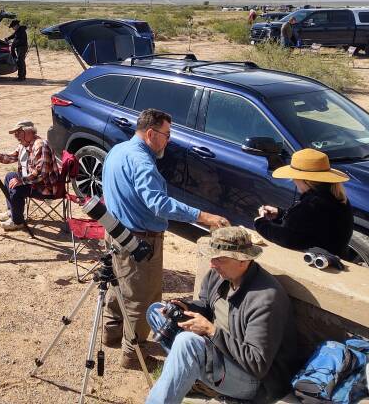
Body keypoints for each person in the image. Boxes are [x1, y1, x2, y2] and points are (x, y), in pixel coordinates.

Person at [101, 108, 229, 369]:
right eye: (167, 135)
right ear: (151, 133)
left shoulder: (118, 150)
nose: (169, 140)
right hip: (139, 240)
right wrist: (202, 216)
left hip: (115, 232)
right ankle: (132, 354)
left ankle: (111, 331)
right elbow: (158, 203)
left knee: (117, 285)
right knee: (142, 297)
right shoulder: (143, 162)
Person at [146, 226, 297, 403]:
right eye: (212, 257)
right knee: (157, 312)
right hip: (216, 353)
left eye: (220, 259)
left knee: (187, 343)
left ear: (243, 260)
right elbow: (206, 306)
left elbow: (257, 364)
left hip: (254, 382)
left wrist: (212, 331)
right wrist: (185, 307)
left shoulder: (266, 299)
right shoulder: (219, 275)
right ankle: (194, 374)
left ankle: (190, 376)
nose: (212, 264)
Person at [255, 148, 353, 257]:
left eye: (294, 177)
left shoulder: (312, 205)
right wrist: (280, 214)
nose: (293, 180)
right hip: (336, 254)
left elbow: (287, 239)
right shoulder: (336, 195)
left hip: (320, 262)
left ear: (303, 179)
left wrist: (260, 223)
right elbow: (310, 225)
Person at [0, 120, 59, 231]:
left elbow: (42, 174)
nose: (16, 136)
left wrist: (22, 180)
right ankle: (12, 211)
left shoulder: (40, 145)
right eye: (15, 133)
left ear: (29, 132)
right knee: (10, 176)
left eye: (18, 132)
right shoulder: (23, 145)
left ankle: (17, 222)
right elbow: (9, 158)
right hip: (34, 182)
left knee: (17, 188)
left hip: (45, 187)